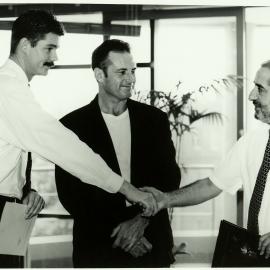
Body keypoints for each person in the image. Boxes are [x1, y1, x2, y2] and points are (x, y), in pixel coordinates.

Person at [0, 10, 157, 268]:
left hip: (10, 211)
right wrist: (127, 188)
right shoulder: (7, 89)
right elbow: (62, 146)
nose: (55, 57)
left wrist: (24, 190)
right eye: (49, 48)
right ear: (25, 45)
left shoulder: (11, 88)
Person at [55, 39, 181, 268]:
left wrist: (139, 222)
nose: (131, 79)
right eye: (122, 72)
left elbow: (170, 178)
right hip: (97, 248)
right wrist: (121, 235)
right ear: (99, 75)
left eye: (133, 71)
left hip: (151, 242)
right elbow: (71, 195)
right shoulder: (71, 126)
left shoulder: (155, 120)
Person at [143, 60, 270, 262]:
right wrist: (164, 200)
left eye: (260, 89)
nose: (251, 95)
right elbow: (212, 185)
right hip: (255, 257)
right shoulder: (251, 141)